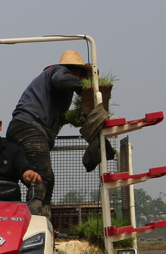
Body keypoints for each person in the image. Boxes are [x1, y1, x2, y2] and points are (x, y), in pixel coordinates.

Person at [5, 50, 98, 217]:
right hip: (30, 127)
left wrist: (78, 117)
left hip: (21, 127)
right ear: (76, 71)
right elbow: (60, 80)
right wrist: (83, 85)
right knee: (42, 175)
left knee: (48, 179)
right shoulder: (59, 72)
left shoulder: (53, 90)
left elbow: (60, 117)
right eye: (82, 77)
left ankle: (44, 218)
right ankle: (32, 222)